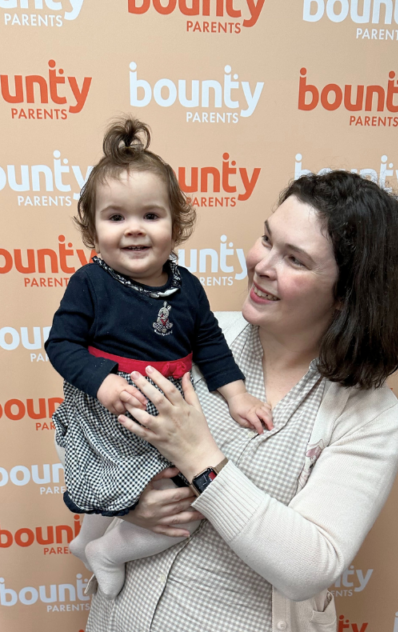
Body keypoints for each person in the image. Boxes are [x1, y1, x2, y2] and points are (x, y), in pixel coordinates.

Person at [64, 168, 398, 632]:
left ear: (346, 296)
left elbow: (310, 567)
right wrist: (125, 500)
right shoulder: (187, 333)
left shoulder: (369, 415)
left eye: (295, 260)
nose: (263, 265)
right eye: (267, 240)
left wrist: (200, 458)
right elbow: (90, 426)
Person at [46, 118, 271, 598]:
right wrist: (103, 382)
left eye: (150, 216)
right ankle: (89, 541)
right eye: (115, 218)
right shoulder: (90, 283)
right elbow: (61, 344)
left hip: (166, 409)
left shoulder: (187, 288)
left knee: (182, 505)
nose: (134, 230)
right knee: (107, 489)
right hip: (109, 408)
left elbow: (209, 344)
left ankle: (108, 550)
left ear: (176, 224)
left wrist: (237, 396)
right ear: (92, 228)